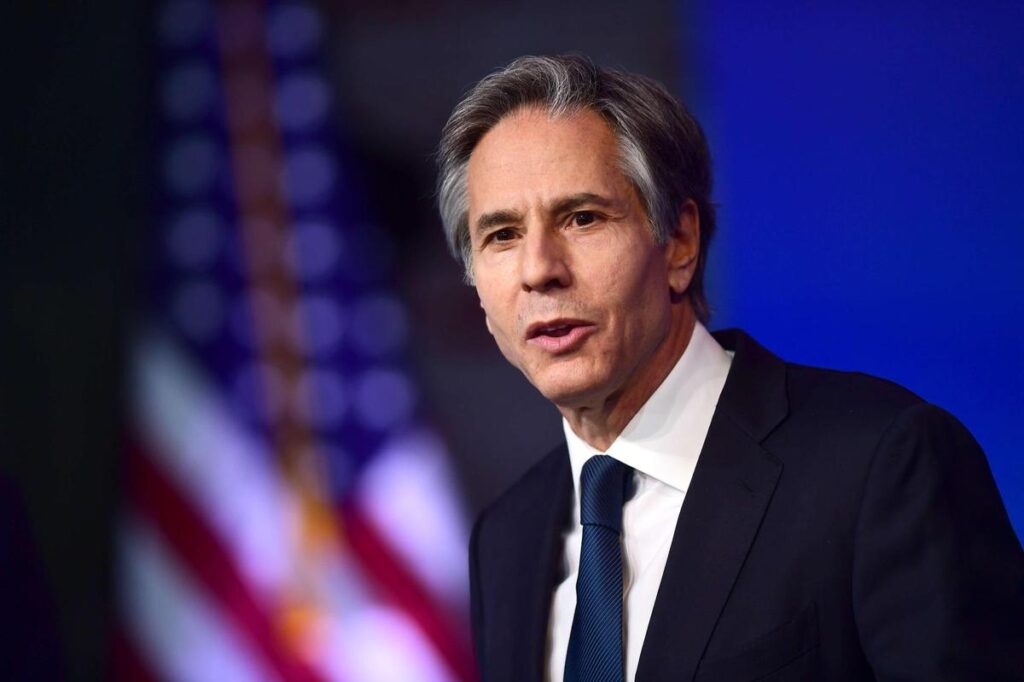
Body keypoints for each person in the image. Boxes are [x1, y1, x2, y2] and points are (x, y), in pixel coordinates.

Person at [435, 54, 1024, 681]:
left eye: (583, 218)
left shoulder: (881, 463)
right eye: (501, 235)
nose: (538, 270)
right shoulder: (507, 538)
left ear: (680, 244)